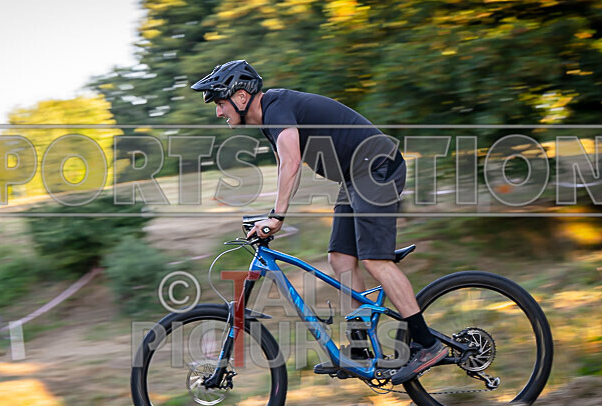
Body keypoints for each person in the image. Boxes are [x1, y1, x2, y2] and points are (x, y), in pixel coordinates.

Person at [191, 60, 447, 384]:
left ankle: (427, 343)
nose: (217, 112)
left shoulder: (276, 106)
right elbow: (289, 167)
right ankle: (360, 347)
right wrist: (271, 212)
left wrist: (277, 217)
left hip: (375, 167)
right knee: (339, 258)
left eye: (219, 102)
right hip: (355, 177)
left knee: (374, 260)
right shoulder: (271, 119)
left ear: (241, 97)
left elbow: (292, 162)